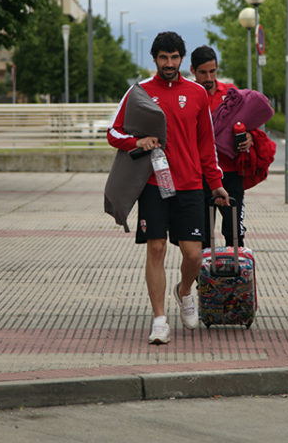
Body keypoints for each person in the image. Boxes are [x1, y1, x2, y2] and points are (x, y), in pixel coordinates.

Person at [108, 32, 228, 345]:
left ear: (182, 60)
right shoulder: (139, 92)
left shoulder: (197, 93)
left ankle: (184, 291)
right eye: (163, 57)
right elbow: (112, 132)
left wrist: (216, 184)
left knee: (193, 255)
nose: (169, 63)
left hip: (189, 185)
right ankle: (159, 319)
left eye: (174, 58)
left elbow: (206, 146)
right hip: (153, 184)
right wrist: (137, 142)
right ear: (155, 59)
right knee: (156, 248)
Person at [190, 45, 251, 247]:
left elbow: (249, 125)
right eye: (203, 72)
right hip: (199, 175)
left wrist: (248, 138)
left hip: (231, 173)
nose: (208, 77)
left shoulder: (231, 94)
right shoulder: (189, 96)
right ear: (192, 70)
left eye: (212, 71)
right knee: (202, 237)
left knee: (234, 233)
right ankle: (205, 279)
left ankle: (236, 278)